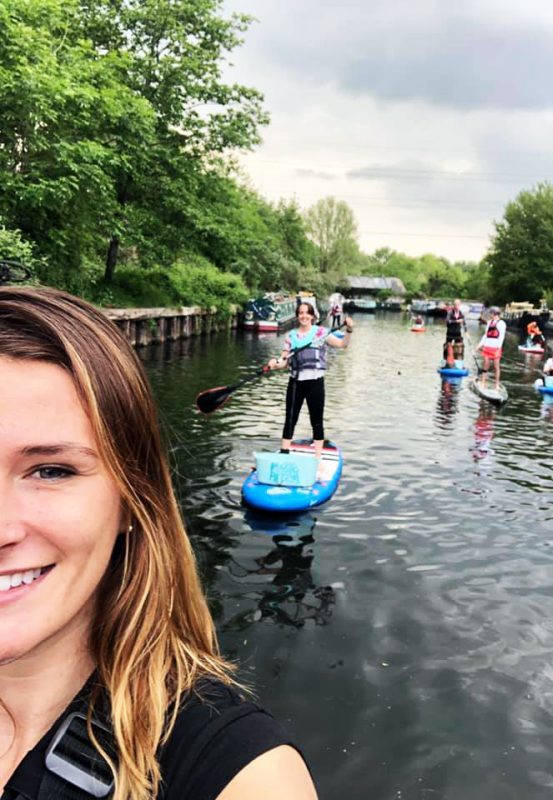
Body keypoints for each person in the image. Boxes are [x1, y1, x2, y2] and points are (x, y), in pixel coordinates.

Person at [0, 286, 318, 800]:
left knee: (311, 416)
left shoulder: (235, 771)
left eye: (51, 470)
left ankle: (312, 441)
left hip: (313, 379)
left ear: (131, 499)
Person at [268, 302, 353, 468]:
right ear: (297, 316)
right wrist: (274, 363)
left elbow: (343, 345)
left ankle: (317, 459)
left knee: (317, 421)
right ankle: (285, 454)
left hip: (315, 382)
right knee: (290, 419)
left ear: (313, 316)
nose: (304, 316)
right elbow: (284, 361)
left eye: (307, 313)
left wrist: (349, 330)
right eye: (301, 313)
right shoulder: (290, 336)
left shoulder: (321, 333)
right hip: (295, 382)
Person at [475, 306, 507, 388]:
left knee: (496, 366)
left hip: (495, 348)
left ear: (494, 314)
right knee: (485, 365)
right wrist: (479, 345)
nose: (490, 315)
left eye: (491, 313)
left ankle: (497, 384)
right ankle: (483, 382)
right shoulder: (489, 322)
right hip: (487, 346)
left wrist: (498, 348)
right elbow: (485, 335)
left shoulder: (501, 323)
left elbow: (501, 337)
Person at [443, 299, 466, 365]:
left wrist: (466, 332)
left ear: (460, 305)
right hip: (450, 333)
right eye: (455, 305)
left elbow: (464, 323)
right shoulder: (450, 312)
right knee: (447, 347)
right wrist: (456, 321)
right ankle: (446, 361)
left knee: (459, 348)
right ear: (453, 305)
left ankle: (458, 362)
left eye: (458, 305)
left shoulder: (461, 313)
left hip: (457, 333)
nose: (457, 306)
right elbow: (447, 321)